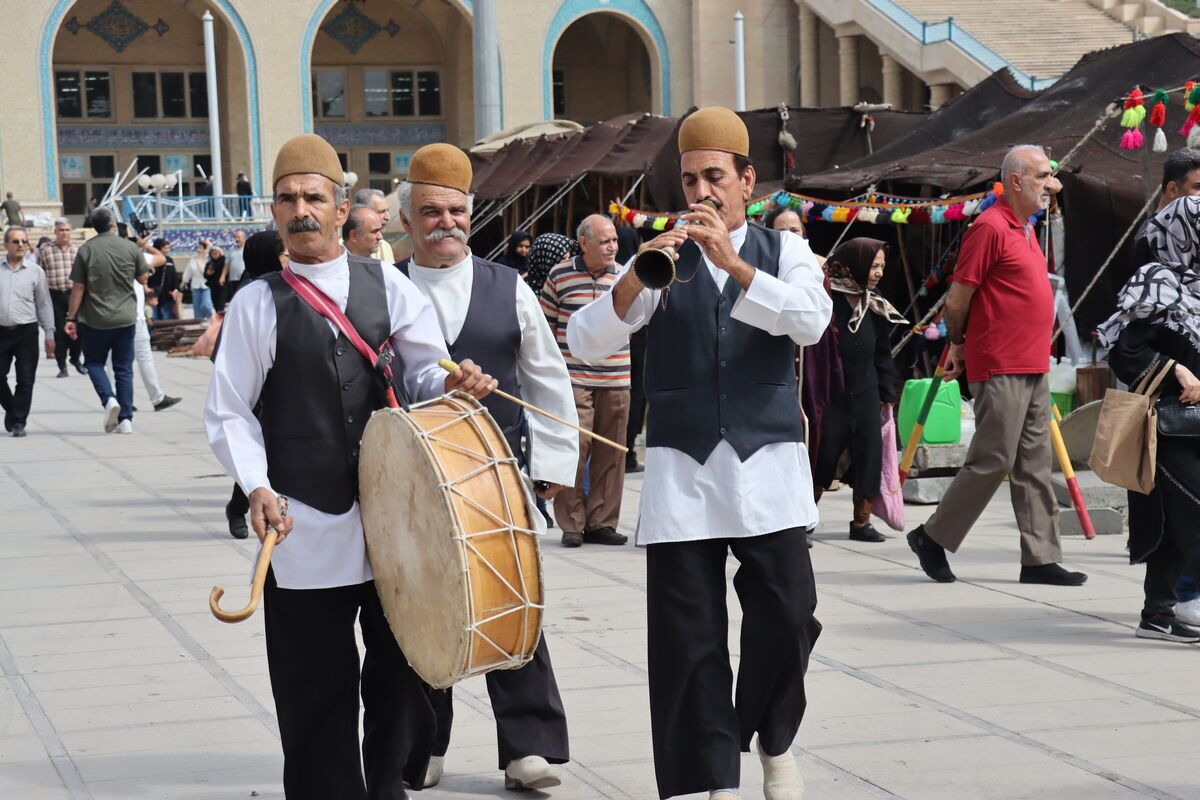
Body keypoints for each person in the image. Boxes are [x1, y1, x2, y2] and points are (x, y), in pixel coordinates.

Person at [205, 133, 495, 799]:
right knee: (314, 685)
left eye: (314, 198)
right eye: (287, 199)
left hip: (393, 521)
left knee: (401, 676)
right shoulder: (256, 303)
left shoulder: (388, 284)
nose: (300, 210)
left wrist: (455, 383)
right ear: (273, 212)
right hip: (304, 523)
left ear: (342, 209)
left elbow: (426, 372)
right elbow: (228, 411)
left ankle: (388, 786)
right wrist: (256, 486)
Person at [567, 106, 830, 800]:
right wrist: (636, 276)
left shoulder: (784, 251)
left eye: (715, 177)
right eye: (689, 180)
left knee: (790, 614)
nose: (702, 192)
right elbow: (586, 340)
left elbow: (811, 321)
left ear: (747, 181)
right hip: (683, 472)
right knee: (688, 638)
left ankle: (772, 737)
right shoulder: (662, 260)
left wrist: (734, 266)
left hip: (767, 465)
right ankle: (708, 778)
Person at [394, 142, 576, 792]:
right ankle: (421, 747)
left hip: (497, 476)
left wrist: (552, 464)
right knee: (418, 611)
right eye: (431, 211)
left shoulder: (509, 286)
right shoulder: (383, 288)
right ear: (407, 219)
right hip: (413, 483)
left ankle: (528, 748)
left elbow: (546, 376)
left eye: (456, 211)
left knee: (511, 601)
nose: (445, 223)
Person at [906, 144, 1087, 587]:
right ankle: (932, 536)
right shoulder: (989, 226)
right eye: (1042, 176)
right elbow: (958, 298)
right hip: (1000, 361)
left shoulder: (1025, 228)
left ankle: (1040, 558)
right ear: (1016, 181)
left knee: (1034, 463)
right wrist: (958, 345)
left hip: (1032, 363)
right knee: (994, 458)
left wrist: (1051, 185)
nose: (1050, 184)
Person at [1099, 196, 1200, 642]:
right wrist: (1174, 369)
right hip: (1169, 427)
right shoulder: (1154, 281)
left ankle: (1157, 614)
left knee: (1173, 524)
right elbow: (1125, 351)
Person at [541, 214, 631, 548]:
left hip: (617, 377)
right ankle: (572, 524)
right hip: (573, 378)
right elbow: (546, 326)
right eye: (605, 241)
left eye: (615, 240)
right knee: (574, 448)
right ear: (583, 243)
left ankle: (602, 523)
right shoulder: (559, 275)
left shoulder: (625, 276)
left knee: (612, 452)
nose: (612, 247)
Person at [811, 238, 905, 542]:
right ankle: (804, 519)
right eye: (874, 265)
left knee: (869, 456)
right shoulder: (826, 297)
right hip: (832, 394)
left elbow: (882, 353)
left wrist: (886, 395)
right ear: (855, 263)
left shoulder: (875, 303)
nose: (878, 272)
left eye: (882, 266)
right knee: (824, 455)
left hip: (866, 393)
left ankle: (861, 522)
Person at [222, 230, 288, 540]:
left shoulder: (290, 288)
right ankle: (239, 507)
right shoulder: (251, 296)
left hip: (287, 388)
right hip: (260, 392)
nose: (288, 259)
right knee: (259, 453)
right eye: (283, 254)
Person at [63, 207, 148, 434]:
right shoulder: (130, 247)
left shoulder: (86, 250)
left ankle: (108, 398)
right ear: (113, 225)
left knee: (93, 363)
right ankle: (126, 420)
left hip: (95, 319)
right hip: (126, 318)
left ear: (94, 226)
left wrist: (71, 317)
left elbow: (78, 287)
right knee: (124, 368)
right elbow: (143, 278)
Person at [0, 227, 54, 437]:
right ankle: (13, 409)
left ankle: (18, 422)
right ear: (6, 244)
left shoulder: (35, 271)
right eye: (15, 241)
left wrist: (49, 333)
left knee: (25, 379)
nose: (20, 245)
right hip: (1, 332)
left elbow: (44, 304)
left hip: (26, 332)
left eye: (23, 241)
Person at [131, 243, 181, 414]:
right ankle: (157, 397)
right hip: (134, 318)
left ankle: (117, 399)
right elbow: (161, 258)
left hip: (111, 317)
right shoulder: (134, 253)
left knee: (115, 361)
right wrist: (144, 244)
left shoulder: (100, 252)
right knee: (144, 358)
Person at [38, 218, 84, 377]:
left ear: (71, 232)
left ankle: (76, 359)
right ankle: (62, 366)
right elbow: (40, 273)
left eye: (67, 230)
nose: (64, 233)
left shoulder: (78, 250)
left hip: (74, 295)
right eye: (61, 230)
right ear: (55, 232)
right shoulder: (46, 250)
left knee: (79, 329)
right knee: (58, 332)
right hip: (54, 296)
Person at [354, 188, 396, 263]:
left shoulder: (385, 246)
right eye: (381, 212)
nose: (387, 217)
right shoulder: (341, 249)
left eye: (387, 210)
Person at [147, 238, 179, 320]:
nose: (167, 250)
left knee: (166, 317)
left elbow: (174, 276)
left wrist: (175, 289)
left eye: (168, 248)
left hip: (167, 294)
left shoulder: (169, 260)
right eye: (165, 248)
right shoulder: (151, 260)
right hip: (153, 294)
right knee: (154, 317)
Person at [182, 241, 213, 319]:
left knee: (206, 305)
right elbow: (188, 271)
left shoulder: (208, 259)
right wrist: (184, 281)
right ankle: (198, 321)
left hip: (206, 285)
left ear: (205, 249)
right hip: (195, 285)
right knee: (197, 306)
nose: (198, 250)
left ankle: (209, 319)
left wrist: (209, 246)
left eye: (200, 248)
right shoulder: (193, 259)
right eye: (198, 248)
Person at [221, 230, 247, 301]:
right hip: (233, 280)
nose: (236, 239)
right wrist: (223, 276)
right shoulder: (232, 250)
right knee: (235, 299)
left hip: (245, 279)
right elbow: (227, 264)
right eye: (235, 237)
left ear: (244, 238)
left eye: (238, 237)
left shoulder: (248, 249)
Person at [206, 245, 227, 313]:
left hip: (222, 287)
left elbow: (219, 266)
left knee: (220, 305)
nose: (214, 255)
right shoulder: (209, 263)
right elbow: (205, 274)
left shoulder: (224, 261)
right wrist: (208, 273)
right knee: (215, 305)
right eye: (213, 253)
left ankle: (221, 318)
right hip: (213, 287)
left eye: (216, 253)